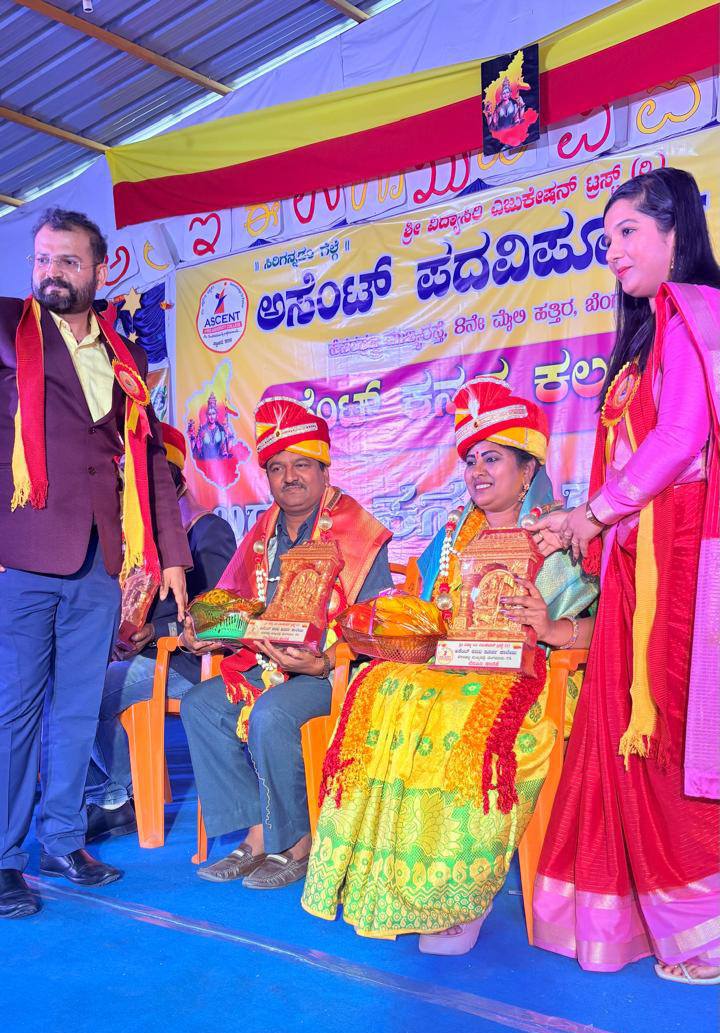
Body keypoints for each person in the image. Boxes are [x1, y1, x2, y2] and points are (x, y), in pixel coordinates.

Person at [301, 377, 597, 954]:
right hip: (452, 669)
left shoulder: (565, 537)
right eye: (469, 462)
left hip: (536, 681)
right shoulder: (453, 538)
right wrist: (384, 622)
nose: (477, 472)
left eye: (492, 458)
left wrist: (553, 628)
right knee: (383, 685)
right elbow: (425, 613)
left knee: (455, 717)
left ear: (528, 468)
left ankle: (458, 899)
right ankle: (389, 877)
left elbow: (611, 628)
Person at [531, 168, 720, 985]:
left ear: (677, 231)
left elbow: (679, 439)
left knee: (667, 739)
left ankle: (705, 929)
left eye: (628, 233)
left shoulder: (696, 311)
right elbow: (635, 455)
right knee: (625, 739)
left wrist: (594, 515)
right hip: (638, 569)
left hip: (676, 568)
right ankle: (640, 915)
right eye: (605, 239)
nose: (611, 253)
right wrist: (577, 522)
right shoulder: (652, 331)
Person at [0, 208, 191, 919]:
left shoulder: (125, 357)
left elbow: (147, 459)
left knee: (79, 710)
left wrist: (171, 555)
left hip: (99, 561)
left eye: (67, 262)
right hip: (20, 555)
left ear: (99, 270)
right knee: (14, 711)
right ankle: (2, 856)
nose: (52, 273)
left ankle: (62, 838)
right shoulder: (7, 329)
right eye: (43, 260)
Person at [180, 396, 393, 889]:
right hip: (267, 665)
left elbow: (381, 620)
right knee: (199, 705)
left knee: (274, 712)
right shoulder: (263, 533)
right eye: (277, 468)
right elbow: (229, 600)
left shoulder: (358, 531)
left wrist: (326, 661)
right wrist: (202, 625)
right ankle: (256, 834)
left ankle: (296, 844)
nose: (289, 477)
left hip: (333, 672)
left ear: (323, 471)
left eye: (301, 465)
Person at [84, 422, 237, 840]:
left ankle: (115, 796)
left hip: (190, 664)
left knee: (90, 691)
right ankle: (111, 791)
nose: (146, 493)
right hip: (144, 658)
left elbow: (219, 611)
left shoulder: (207, 529)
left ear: (177, 479)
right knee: (74, 681)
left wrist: (156, 628)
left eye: (157, 482)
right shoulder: (135, 539)